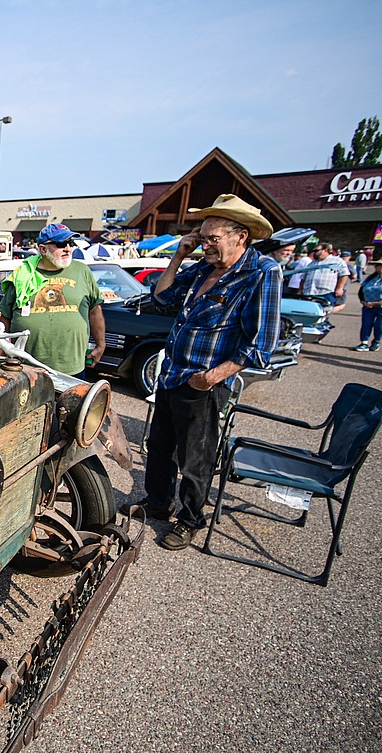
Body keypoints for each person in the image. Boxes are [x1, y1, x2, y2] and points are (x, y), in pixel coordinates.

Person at [127, 194, 282, 551]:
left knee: (196, 458)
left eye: (212, 238)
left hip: (204, 384)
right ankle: (158, 503)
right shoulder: (202, 268)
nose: (204, 244)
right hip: (171, 375)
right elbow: (161, 298)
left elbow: (262, 344)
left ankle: (190, 518)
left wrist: (213, 377)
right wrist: (179, 254)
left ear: (240, 236)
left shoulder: (262, 272)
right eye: (203, 236)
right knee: (161, 447)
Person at [0, 223, 105, 379]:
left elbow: (95, 311)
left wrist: (101, 345)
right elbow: (5, 316)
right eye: (61, 244)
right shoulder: (23, 274)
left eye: (70, 243)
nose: (68, 248)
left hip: (72, 368)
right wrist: (2, 352)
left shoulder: (83, 271)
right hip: (28, 369)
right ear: (42, 249)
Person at [303, 244, 350, 311]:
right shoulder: (312, 263)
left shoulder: (337, 261)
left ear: (325, 250)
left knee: (323, 314)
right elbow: (304, 277)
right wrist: (300, 290)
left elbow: (344, 274)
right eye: (313, 251)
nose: (314, 253)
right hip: (309, 293)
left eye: (316, 251)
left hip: (325, 293)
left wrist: (339, 288)